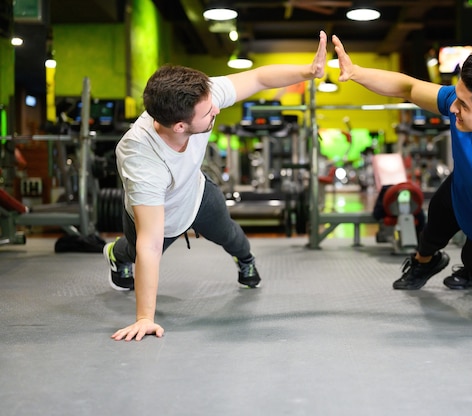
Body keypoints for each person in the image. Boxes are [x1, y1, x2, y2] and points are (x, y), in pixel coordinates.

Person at [103, 31, 328, 342]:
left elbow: (260, 78)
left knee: (231, 236)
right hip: (158, 214)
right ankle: (115, 253)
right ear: (179, 126)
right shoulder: (142, 158)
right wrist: (145, 318)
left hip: (197, 195)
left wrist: (308, 71)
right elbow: (151, 244)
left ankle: (246, 261)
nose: (217, 111)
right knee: (136, 250)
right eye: (209, 113)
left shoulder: (199, 97)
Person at [332, 35, 472, 348]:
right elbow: (407, 87)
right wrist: (356, 73)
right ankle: (425, 262)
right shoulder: (461, 103)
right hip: (459, 192)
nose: (453, 108)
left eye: (463, 105)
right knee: (430, 234)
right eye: (456, 98)